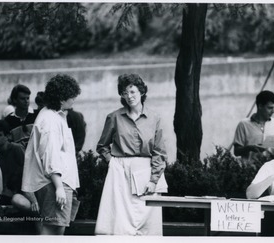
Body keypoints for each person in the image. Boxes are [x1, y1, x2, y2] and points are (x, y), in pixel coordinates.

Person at [95, 74, 168, 235]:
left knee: (149, 226)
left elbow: (159, 152)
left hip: (147, 174)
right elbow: (102, 146)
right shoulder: (114, 117)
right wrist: (112, 163)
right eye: (125, 93)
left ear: (141, 92)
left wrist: (153, 180)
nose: (129, 96)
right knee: (120, 224)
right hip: (120, 175)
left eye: (133, 92)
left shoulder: (154, 118)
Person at [21, 74, 81, 235]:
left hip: (57, 182)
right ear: (61, 98)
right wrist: (59, 187)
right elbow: (50, 154)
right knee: (52, 230)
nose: (74, 99)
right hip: (54, 183)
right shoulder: (50, 120)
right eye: (72, 96)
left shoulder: (53, 116)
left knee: (57, 228)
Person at [233, 90, 274, 165]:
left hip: (271, 169)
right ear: (260, 106)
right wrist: (250, 148)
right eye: (270, 108)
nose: (273, 111)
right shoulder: (243, 124)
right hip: (250, 170)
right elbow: (236, 152)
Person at [4, 84, 38, 148]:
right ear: (14, 100)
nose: (26, 101)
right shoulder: (8, 121)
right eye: (23, 99)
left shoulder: (37, 115)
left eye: (28, 98)